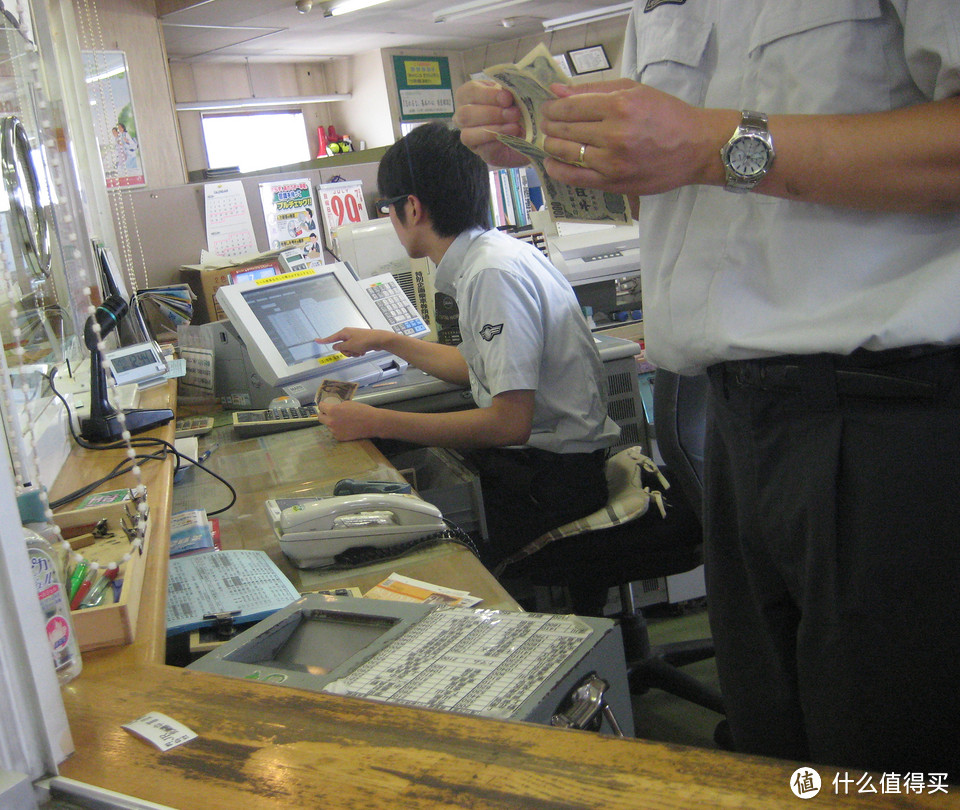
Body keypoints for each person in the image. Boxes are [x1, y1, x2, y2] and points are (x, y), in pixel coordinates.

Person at [455, 0, 960, 777]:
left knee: (891, 764)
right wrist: (559, 139)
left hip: (891, 412)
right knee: (773, 761)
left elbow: (721, 154)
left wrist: (720, 146)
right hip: (735, 419)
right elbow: (688, 197)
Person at [316, 122, 619, 570]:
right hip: (555, 467)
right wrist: (389, 341)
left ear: (412, 208)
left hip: (551, 482)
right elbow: (483, 370)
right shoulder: (496, 252)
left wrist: (375, 421)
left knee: (404, 544)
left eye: (387, 208)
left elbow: (508, 423)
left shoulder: (489, 274)